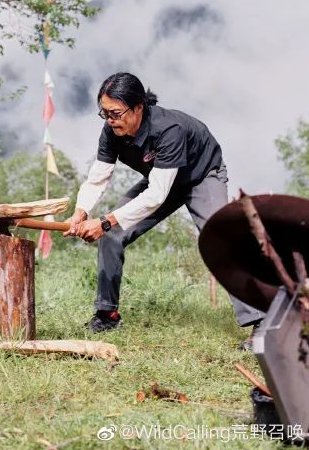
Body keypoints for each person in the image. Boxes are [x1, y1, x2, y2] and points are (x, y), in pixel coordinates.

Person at [63, 72, 265, 345]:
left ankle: (262, 323)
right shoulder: (111, 131)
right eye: (104, 113)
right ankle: (107, 315)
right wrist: (81, 212)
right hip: (161, 178)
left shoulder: (169, 130)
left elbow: (155, 196)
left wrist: (106, 221)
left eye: (116, 113)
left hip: (202, 175)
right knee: (112, 237)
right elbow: (98, 176)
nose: (110, 120)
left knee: (221, 242)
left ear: (138, 108)